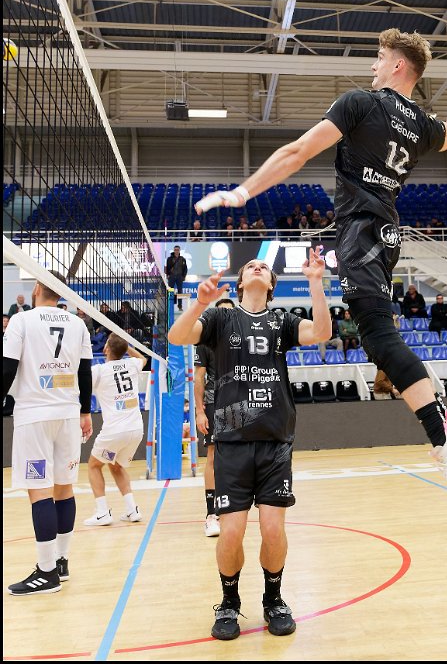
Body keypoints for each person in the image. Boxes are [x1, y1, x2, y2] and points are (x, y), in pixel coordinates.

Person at [195, 28, 447, 519]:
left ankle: (445, 436)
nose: (374, 65)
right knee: (375, 338)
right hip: (385, 233)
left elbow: (297, 152)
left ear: (397, 66)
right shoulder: (419, 122)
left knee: (379, 337)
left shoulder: (360, 103)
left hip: (361, 232)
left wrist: (242, 192)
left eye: (379, 57)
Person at [168, 248, 331, 641]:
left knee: (273, 530)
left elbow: (322, 333)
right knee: (231, 533)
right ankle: (229, 602)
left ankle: (273, 599)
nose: (258, 267)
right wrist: (199, 303)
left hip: (275, 442)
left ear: (271, 284)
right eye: (251, 266)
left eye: (264, 267)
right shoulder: (221, 317)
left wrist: (316, 284)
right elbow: (176, 336)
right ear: (241, 282)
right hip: (232, 441)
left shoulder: (282, 321)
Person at [3, 272, 93, 594]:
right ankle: (61, 561)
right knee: (64, 488)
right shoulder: (78, 324)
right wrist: (85, 412)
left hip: (35, 417)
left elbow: (7, 368)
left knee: (39, 491)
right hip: (67, 416)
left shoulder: (21, 320)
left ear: (38, 287)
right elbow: (84, 372)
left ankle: (46, 572)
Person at [84, 334, 146, 526]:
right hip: (136, 429)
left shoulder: (99, 371)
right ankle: (132, 510)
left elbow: (81, 380)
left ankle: (102, 512)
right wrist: (126, 346)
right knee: (116, 465)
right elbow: (143, 358)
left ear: (105, 349)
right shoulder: (132, 364)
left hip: (115, 431)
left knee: (94, 465)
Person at [194, 297, 235, 538]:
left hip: (239, 404)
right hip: (214, 403)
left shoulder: (243, 339)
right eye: (221, 312)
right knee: (212, 456)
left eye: (229, 312)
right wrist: (199, 411)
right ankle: (212, 514)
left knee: (236, 457)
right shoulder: (205, 342)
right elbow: (199, 377)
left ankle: (232, 508)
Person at [165, 245, 188, 309]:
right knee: (170, 291)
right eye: (175, 250)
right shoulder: (169, 259)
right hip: (172, 276)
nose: (176, 251)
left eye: (177, 250)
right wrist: (168, 275)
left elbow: (185, 269)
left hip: (179, 277)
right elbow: (167, 268)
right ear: (174, 250)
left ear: (179, 250)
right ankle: (171, 305)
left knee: (180, 291)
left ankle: (180, 305)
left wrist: (183, 276)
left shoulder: (182, 259)